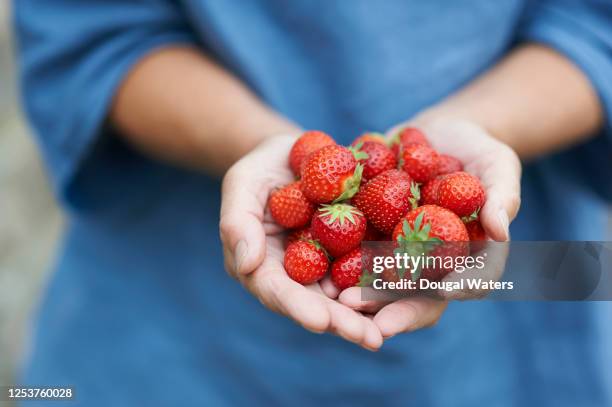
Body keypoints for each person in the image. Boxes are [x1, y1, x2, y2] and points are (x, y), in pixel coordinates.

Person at [13, 0, 612, 405]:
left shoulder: (408, 200)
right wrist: (252, 143)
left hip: (527, 317)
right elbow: (92, 37)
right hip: (172, 336)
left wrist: (480, 125)